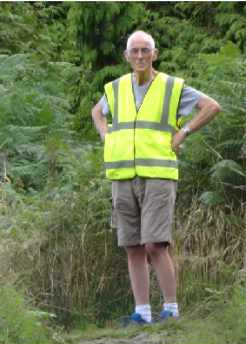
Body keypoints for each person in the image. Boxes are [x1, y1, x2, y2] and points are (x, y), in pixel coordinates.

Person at [91, 30, 221, 324]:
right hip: (123, 174)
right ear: (126, 56)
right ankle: (142, 313)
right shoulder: (115, 88)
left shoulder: (171, 87)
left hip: (159, 174)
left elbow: (212, 106)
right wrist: (106, 136)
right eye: (134, 51)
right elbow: (97, 112)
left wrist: (184, 131)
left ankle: (171, 311)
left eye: (145, 50)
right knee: (133, 246)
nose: (139, 56)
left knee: (155, 244)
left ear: (154, 54)